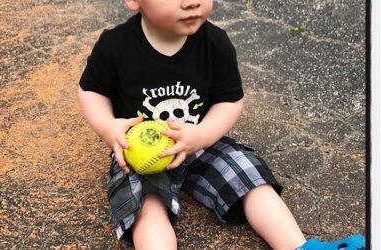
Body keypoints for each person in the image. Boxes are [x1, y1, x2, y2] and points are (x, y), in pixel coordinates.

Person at [78, 0, 365, 249]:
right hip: (140, 156)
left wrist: (202, 135)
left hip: (201, 141)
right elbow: (91, 90)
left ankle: (297, 246)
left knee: (249, 175)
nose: (191, 3)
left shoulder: (215, 43)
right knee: (147, 207)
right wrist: (108, 127)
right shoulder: (115, 46)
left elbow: (229, 102)